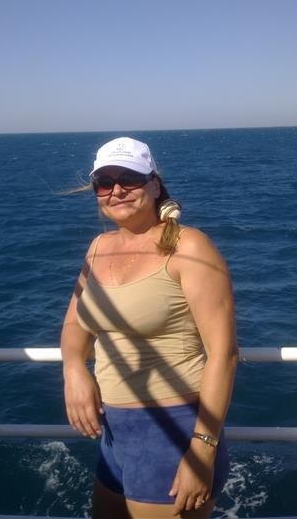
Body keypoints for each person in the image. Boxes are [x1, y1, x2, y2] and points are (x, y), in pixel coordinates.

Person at [60, 137, 238, 519]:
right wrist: (73, 367)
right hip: (114, 430)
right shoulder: (97, 247)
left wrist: (202, 448)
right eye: (104, 182)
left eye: (129, 178)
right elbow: (75, 321)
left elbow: (224, 355)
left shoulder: (189, 247)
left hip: (174, 429)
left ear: (155, 185)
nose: (117, 190)